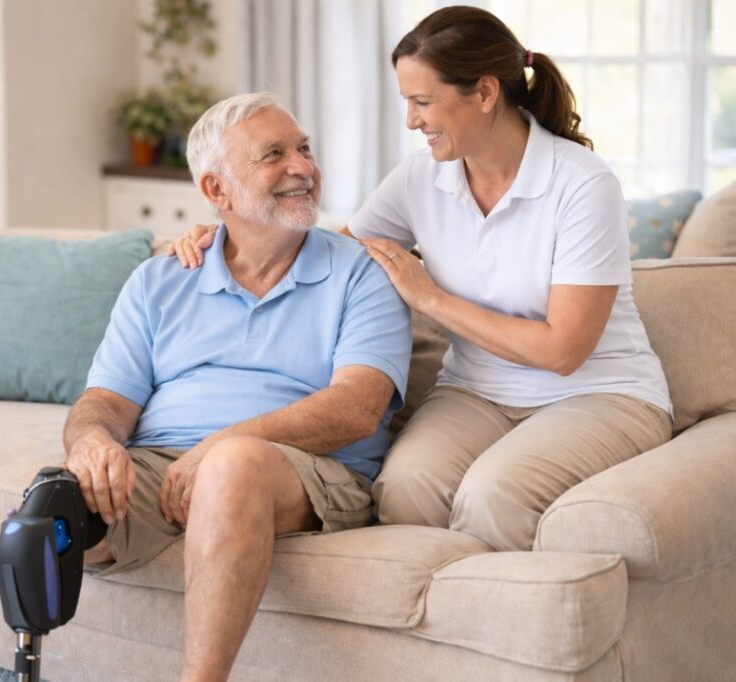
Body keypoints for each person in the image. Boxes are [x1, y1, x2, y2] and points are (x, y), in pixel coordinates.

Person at [168, 6, 672, 553]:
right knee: (403, 492)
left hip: (599, 394)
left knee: (493, 496)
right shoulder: (419, 178)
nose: (411, 121)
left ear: (484, 93)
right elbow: (330, 250)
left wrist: (429, 295)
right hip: (476, 393)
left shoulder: (581, 183)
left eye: (423, 102)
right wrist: (231, 229)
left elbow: (564, 351)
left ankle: (504, 631)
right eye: (407, 101)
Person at [64, 92, 411, 682]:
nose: (301, 166)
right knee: (54, 504)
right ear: (216, 192)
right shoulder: (160, 279)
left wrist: (219, 447)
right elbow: (105, 402)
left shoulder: (359, 272)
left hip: (302, 469)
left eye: (303, 148)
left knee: (233, 467)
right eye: (273, 155)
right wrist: (90, 442)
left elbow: (359, 408)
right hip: (163, 462)